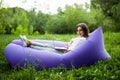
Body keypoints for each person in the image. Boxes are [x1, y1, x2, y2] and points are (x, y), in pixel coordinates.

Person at [19, 23, 89, 53]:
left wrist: (68, 49)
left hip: (66, 53)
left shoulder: (82, 39)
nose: (78, 32)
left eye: (80, 30)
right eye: (77, 30)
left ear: (84, 30)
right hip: (65, 50)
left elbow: (74, 50)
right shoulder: (78, 38)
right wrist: (69, 44)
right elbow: (71, 45)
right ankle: (28, 42)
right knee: (47, 46)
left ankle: (29, 43)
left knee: (47, 48)